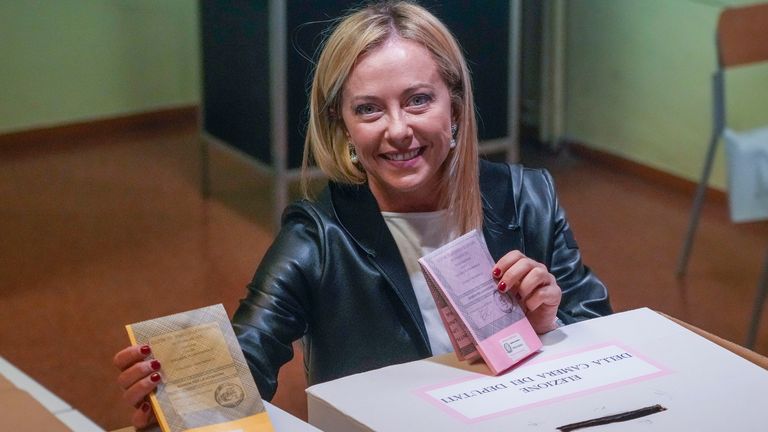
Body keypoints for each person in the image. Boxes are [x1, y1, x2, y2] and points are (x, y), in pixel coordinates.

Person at [113, 1, 612, 428]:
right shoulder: (318, 237)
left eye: (418, 100)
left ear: (455, 108)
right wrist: (179, 402)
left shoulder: (528, 198)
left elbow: (604, 334)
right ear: (343, 126)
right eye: (370, 109)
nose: (398, 130)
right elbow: (250, 356)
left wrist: (552, 322)